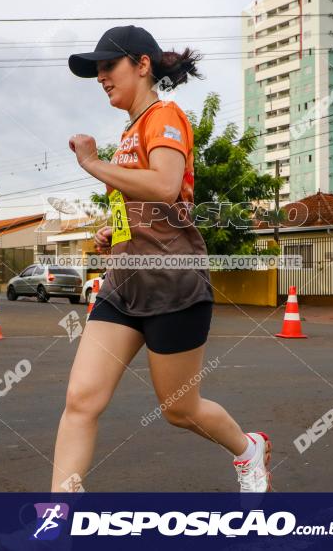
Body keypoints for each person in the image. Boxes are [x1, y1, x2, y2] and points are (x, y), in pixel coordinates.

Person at [51, 25, 271, 493]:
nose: (101, 77)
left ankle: (249, 449)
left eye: (108, 66)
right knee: (81, 400)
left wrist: (91, 164)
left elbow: (167, 185)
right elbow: (144, 202)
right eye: (97, 70)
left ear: (142, 65)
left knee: (179, 409)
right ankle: (56, 521)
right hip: (123, 285)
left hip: (172, 281)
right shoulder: (129, 133)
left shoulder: (164, 115)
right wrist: (115, 231)